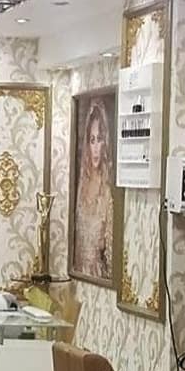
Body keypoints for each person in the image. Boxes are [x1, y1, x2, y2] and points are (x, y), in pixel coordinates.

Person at [72, 99, 115, 280]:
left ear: (105, 143)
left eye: (99, 139)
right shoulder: (81, 186)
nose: (96, 147)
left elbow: (111, 251)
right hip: (79, 275)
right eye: (92, 140)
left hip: (99, 277)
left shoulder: (107, 191)